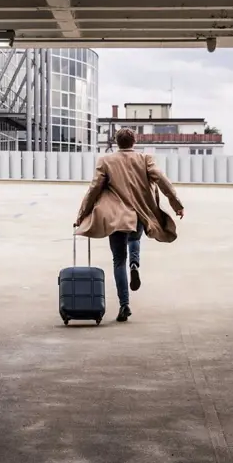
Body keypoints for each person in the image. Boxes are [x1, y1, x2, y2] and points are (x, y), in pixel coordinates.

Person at [75, 128, 185, 322]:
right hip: (138, 213)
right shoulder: (145, 159)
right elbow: (162, 181)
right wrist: (176, 204)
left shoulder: (106, 161)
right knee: (135, 238)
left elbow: (94, 189)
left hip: (115, 217)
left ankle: (124, 305)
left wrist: (82, 214)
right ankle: (135, 263)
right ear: (134, 141)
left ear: (117, 142)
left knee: (118, 261)